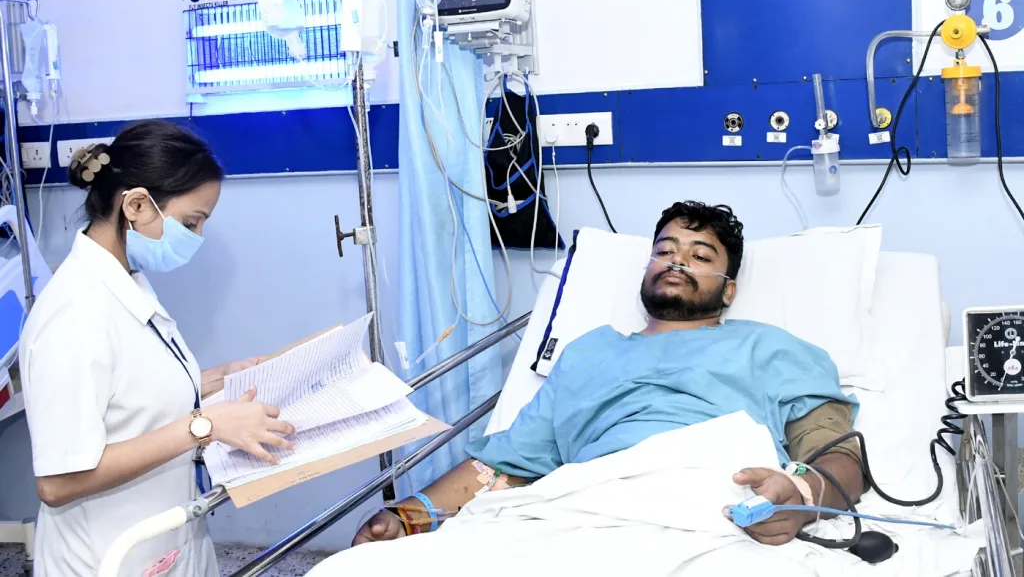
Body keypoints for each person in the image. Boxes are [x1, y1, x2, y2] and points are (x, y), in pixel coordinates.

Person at [353, 201, 864, 548]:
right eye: (664, 250)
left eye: (699, 256)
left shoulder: (771, 348)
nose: (677, 261)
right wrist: (407, 516)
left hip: (716, 507)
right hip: (585, 509)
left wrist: (802, 496)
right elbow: (503, 469)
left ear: (728, 289)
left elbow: (839, 458)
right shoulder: (588, 353)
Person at [19, 120, 295, 576]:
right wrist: (205, 426)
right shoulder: (73, 314)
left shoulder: (124, 282)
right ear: (135, 205)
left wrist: (217, 379)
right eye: (190, 222)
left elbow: (126, 397)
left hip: (160, 543)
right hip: (104, 558)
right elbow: (58, 481)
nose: (197, 238)